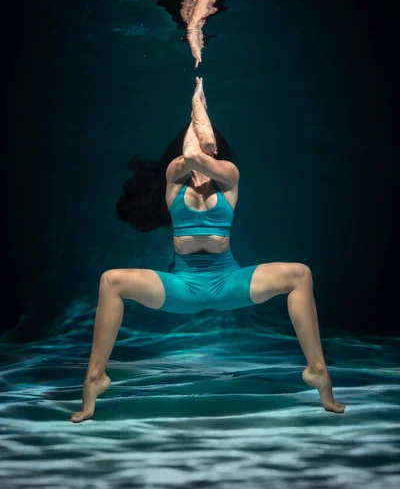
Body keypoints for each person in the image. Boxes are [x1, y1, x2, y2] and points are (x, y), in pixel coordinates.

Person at [70, 78, 345, 423]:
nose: (202, 147)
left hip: (227, 280)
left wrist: (199, 110)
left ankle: (318, 371)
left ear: (216, 148)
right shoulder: (174, 176)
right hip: (183, 285)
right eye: (199, 139)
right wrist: (197, 103)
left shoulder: (230, 176)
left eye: (208, 143)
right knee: (111, 281)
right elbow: (188, 157)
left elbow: (198, 155)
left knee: (299, 274)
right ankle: (95, 378)